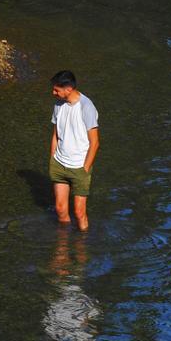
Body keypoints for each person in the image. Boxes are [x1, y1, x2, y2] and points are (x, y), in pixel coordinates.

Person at [49, 70, 100, 231]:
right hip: (59, 164)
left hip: (79, 167)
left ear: (68, 89)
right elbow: (55, 134)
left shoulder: (87, 107)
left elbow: (95, 142)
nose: (53, 93)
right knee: (60, 209)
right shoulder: (58, 104)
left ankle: (82, 249)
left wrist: (85, 169)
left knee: (79, 212)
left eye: (57, 90)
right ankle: (63, 247)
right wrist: (52, 158)